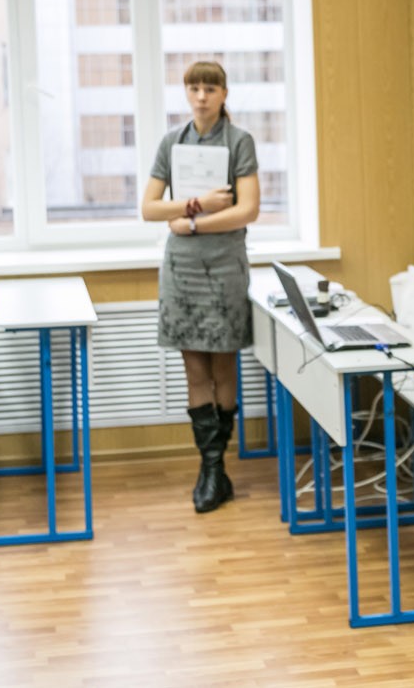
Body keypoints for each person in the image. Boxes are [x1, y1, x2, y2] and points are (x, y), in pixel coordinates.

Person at [142, 60, 261, 513]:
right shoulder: (172, 141)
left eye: (210, 88)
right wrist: (197, 203)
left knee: (224, 368)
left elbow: (247, 210)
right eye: (194, 88)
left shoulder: (239, 141)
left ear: (224, 93)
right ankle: (211, 470)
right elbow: (149, 209)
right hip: (182, 272)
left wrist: (191, 222)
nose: (201, 96)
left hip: (225, 266)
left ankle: (218, 466)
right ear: (186, 93)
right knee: (195, 371)